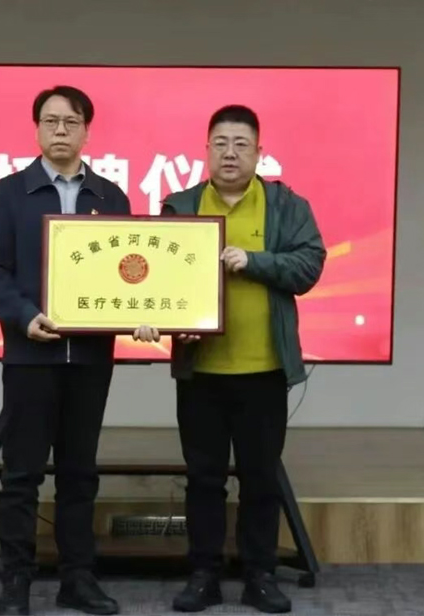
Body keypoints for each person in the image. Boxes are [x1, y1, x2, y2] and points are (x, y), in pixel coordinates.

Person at [136, 105, 326, 613]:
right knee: (204, 479)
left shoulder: (285, 206)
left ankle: (260, 575)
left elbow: (309, 266)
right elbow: (156, 278)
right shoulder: (180, 207)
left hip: (264, 371)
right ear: (206, 150)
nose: (230, 153)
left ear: (260, 152)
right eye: (220, 143)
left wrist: (254, 261)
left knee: (261, 478)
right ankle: (204, 574)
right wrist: (153, 317)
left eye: (241, 144)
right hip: (201, 373)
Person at [0, 85, 151, 616]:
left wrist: (144, 312)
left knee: (79, 473)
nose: (60, 131)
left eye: (71, 122)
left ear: (86, 132)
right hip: (29, 355)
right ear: (36, 129)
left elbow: (128, 275)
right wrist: (23, 316)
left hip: (90, 360)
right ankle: (16, 581)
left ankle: (78, 578)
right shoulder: (6, 195)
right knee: (21, 475)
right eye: (50, 121)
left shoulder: (111, 198)